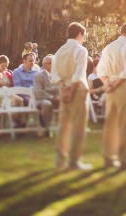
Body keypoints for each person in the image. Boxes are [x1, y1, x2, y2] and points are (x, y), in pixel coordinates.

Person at [97, 22, 126, 170]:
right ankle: (125, 159)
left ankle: (108, 157)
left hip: (110, 87)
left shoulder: (108, 47)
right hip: (123, 87)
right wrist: (114, 85)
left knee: (110, 123)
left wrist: (107, 84)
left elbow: (100, 70)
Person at [51, 22, 92, 170]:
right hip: (77, 89)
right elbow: (79, 74)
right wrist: (71, 91)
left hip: (64, 89)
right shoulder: (81, 50)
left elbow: (54, 74)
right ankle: (74, 161)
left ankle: (60, 160)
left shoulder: (59, 52)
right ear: (79, 34)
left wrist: (63, 88)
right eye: (84, 35)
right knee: (78, 127)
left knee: (64, 126)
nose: (84, 38)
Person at [33, 54, 59, 129]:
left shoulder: (57, 75)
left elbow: (60, 88)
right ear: (44, 65)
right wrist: (52, 97)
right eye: (51, 63)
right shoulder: (38, 76)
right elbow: (39, 92)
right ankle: (46, 128)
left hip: (57, 98)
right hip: (42, 99)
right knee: (47, 104)